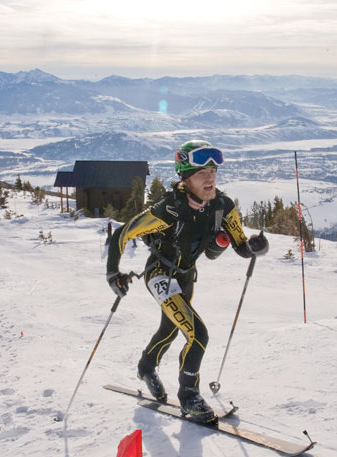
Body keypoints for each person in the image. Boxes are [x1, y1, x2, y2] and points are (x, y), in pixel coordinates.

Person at [106, 140, 268, 424]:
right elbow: (122, 234)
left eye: (213, 171)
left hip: (186, 276)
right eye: (201, 173)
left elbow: (241, 246)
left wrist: (255, 247)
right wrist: (112, 273)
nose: (210, 178)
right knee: (198, 334)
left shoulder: (223, 206)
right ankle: (189, 395)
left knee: (169, 330)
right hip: (160, 273)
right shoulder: (167, 210)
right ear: (185, 178)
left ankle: (146, 367)